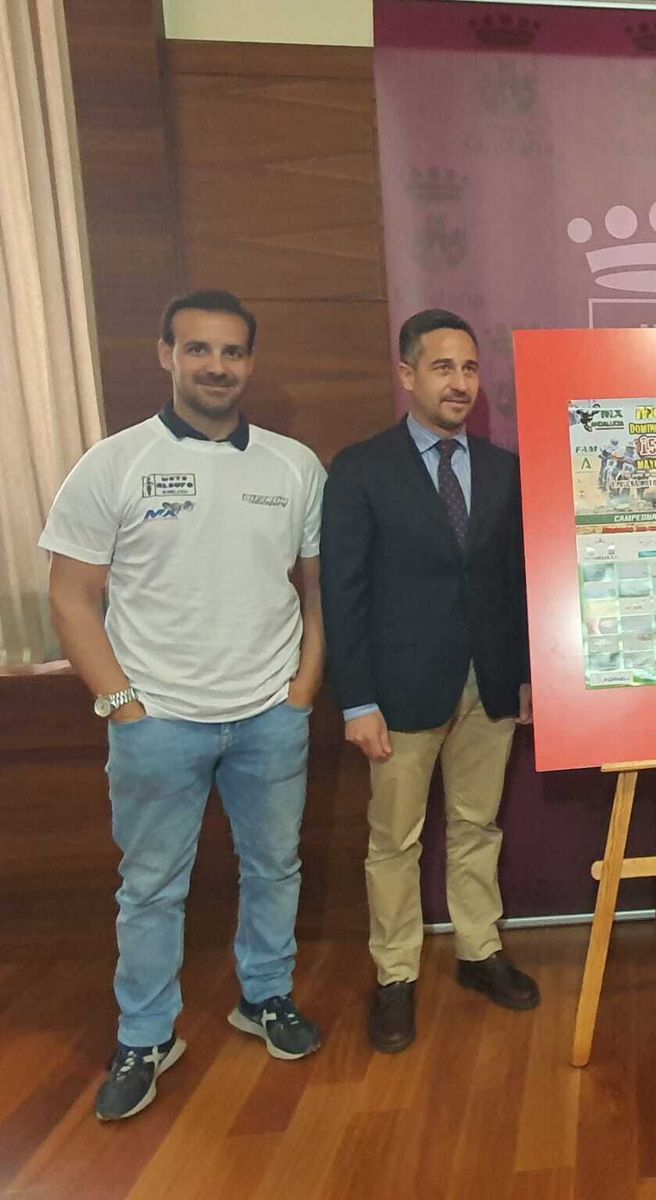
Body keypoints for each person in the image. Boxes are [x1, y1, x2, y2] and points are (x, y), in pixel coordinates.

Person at [41, 289, 327, 1120]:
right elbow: (69, 597)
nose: (216, 366)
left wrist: (302, 689)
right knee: (153, 886)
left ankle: (265, 996)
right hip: (156, 720)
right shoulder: (113, 463)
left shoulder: (292, 466)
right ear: (164, 354)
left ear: (251, 363)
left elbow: (318, 592)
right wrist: (123, 705)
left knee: (276, 867)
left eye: (232, 352)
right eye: (197, 349)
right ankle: (146, 1034)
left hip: (269, 716)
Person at [321, 309, 536, 1055]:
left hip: (491, 685)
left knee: (477, 826)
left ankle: (480, 952)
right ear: (407, 374)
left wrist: (528, 677)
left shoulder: (505, 469)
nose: (460, 383)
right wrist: (356, 701)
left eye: (470, 369)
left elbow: (516, 584)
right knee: (395, 841)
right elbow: (341, 594)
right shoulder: (361, 469)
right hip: (400, 693)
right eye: (443, 367)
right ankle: (396, 976)